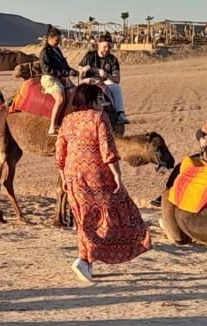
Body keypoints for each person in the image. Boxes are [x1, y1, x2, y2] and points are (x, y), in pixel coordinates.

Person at [56, 84, 151, 282]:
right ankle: (85, 260)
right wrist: (117, 174)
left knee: (84, 220)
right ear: (90, 100)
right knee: (116, 212)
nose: (103, 103)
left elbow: (60, 152)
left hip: (73, 175)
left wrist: (64, 177)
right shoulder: (99, 118)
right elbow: (107, 149)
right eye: (100, 99)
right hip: (97, 175)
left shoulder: (67, 120)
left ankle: (85, 261)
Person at [78, 33, 128, 124]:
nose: (107, 49)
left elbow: (117, 79)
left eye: (109, 47)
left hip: (104, 83)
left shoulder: (113, 60)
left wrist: (106, 75)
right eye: (105, 46)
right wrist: (83, 69)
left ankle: (120, 113)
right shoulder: (89, 56)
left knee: (116, 87)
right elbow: (80, 69)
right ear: (98, 44)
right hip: (89, 81)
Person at [40, 25, 75, 136]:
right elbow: (48, 69)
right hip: (49, 78)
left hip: (60, 77)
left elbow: (63, 65)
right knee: (60, 99)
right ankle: (52, 128)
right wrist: (66, 73)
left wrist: (71, 70)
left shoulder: (57, 50)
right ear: (50, 38)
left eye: (59, 40)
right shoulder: (45, 52)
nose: (58, 42)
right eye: (57, 40)